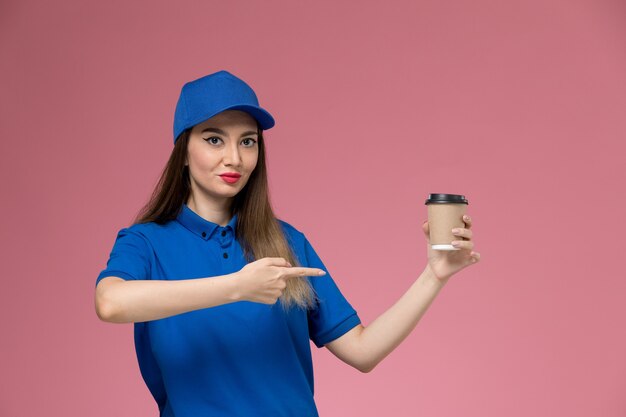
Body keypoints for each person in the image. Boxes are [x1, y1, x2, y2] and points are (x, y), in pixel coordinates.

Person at [94, 69, 481, 417]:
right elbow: (111, 302)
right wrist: (235, 287)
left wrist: (435, 274)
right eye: (214, 139)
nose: (234, 158)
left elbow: (363, 352)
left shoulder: (286, 242)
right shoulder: (146, 242)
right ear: (183, 150)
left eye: (248, 142)